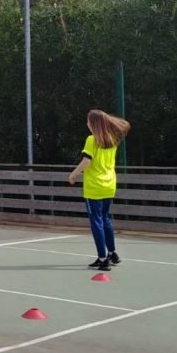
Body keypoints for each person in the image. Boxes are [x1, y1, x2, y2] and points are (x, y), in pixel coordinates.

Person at [68, 109, 131, 272]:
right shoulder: (112, 139)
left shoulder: (91, 139)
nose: (87, 124)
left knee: (96, 221)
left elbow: (86, 162)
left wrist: (73, 175)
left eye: (88, 121)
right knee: (105, 218)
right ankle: (112, 253)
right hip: (109, 184)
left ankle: (103, 259)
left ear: (94, 123)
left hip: (94, 187)